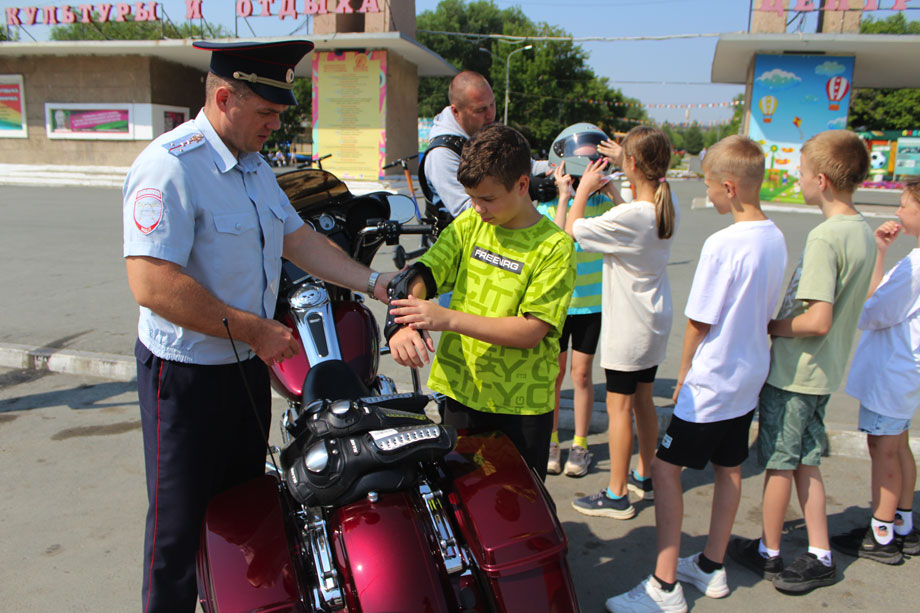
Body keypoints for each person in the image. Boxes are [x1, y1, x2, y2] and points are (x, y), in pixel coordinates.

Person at [122, 40, 393, 612]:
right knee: (176, 530)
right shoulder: (170, 165)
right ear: (224, 98)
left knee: (243, 513)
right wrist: (253, 329)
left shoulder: (254, 165)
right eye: (267, 112)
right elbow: (152, 283)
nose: (276, 123)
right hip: (186, 377)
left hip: (244, 370)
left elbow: (299, 240)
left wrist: (374, 284)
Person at [605, 135, 787, 612]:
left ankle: (664, 587)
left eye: (710, 186)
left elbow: (698, 322)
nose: (708, 195)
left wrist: (684, 375)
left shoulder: (724, 243)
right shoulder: (776, 235)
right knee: (729, 469)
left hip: (711, 382)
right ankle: (711, 565)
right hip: (747, 379)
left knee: (665, 471)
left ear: (730, 186)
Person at [728, 130, 875, 595]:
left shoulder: (825, 237)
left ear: (822, 180)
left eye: (802, 172)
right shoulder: (861, 230)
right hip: (822, 373)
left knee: (777, 463)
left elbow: (816, 320)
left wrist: (772, 326)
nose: (798, 178)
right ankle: (820, 552)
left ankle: (768, 550)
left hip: (796, 373)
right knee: (806, 462)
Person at [386, 124, 576, 480]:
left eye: (488, 199)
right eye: (472, 197)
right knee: (461, 498)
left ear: (522, 185)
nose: (477, 207)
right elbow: (425, 273)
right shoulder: (471, 222)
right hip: (461, 391)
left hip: (521, 407)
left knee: (517, 511)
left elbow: (530, 331)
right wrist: (402, 323)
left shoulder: (554, 247)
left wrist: (446, 318)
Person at [558, 126, 678, 520]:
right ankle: (645, 474)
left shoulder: (632, 215)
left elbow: (573, 229)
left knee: (618, 407)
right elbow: (632, 210)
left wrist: (580, 190)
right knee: (643, 399)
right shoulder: (661, 204)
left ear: (630, 164)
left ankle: (616, 494)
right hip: (653, 321)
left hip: (629, 328)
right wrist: (611, 190)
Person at [830, 181, 920, 564]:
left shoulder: (915, 267)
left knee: (883, 448)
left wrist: (875, 261)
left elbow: (873, 310)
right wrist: (882, 250)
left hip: (892, 371)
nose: (898, 213)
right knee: (898, 444)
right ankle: (903, 523)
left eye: (904, 205)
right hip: (905, 372)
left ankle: (881, 532)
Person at [538, 123, 621, 477]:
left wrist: (612, 186)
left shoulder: (605, 204)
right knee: (554, 375)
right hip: (558, 305)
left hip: (591, 304)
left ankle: (581, 444)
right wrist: (564, 195)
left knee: (582, 375)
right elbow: (559, 240)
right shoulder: (545, 203)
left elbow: (635, 219)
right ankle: (552, 440)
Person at [421, 71, 497, 220]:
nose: (490, 115)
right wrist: (520, 193)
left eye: (492, 104)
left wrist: (554, 169)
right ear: (456, 111)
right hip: (463, 239)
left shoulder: (483, 134)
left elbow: (527, 165)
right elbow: (467, 211)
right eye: (480, 110)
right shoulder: (442, 154)